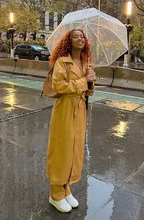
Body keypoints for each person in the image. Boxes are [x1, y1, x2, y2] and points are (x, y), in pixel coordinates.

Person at [46, 29, 95, 213]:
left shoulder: (85, 62)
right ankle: (55, 193)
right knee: (61, 149)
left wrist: (91, 82)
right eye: (76, 36)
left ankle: (66, 188)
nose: (80, 39)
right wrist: (84, 81)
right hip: (65, 109)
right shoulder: (62, 61)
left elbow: (87, 91)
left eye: (82, 36)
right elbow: (58, 86)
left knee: (75, 148)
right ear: (68, 41)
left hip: (80, 109)